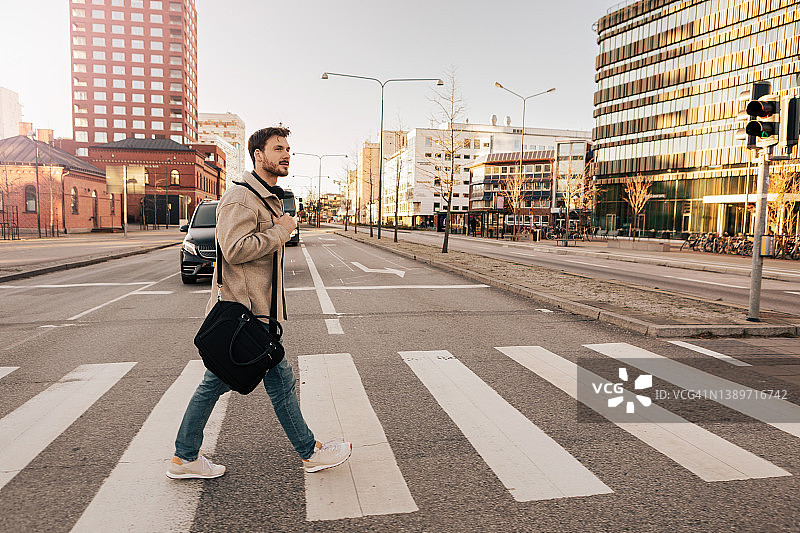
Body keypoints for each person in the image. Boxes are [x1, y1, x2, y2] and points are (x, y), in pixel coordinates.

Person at [166, 127, 352, 479]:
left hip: (255, 315)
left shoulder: (265, 197)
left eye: (288, 149)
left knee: (259, 381)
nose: (286, 155)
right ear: (257, 155)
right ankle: (308, 452)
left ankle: (185, 456)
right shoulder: (241, 198)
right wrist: (281, 231)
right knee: (259, 381)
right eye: (278, 148)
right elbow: (234, 250)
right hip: (244, 315)